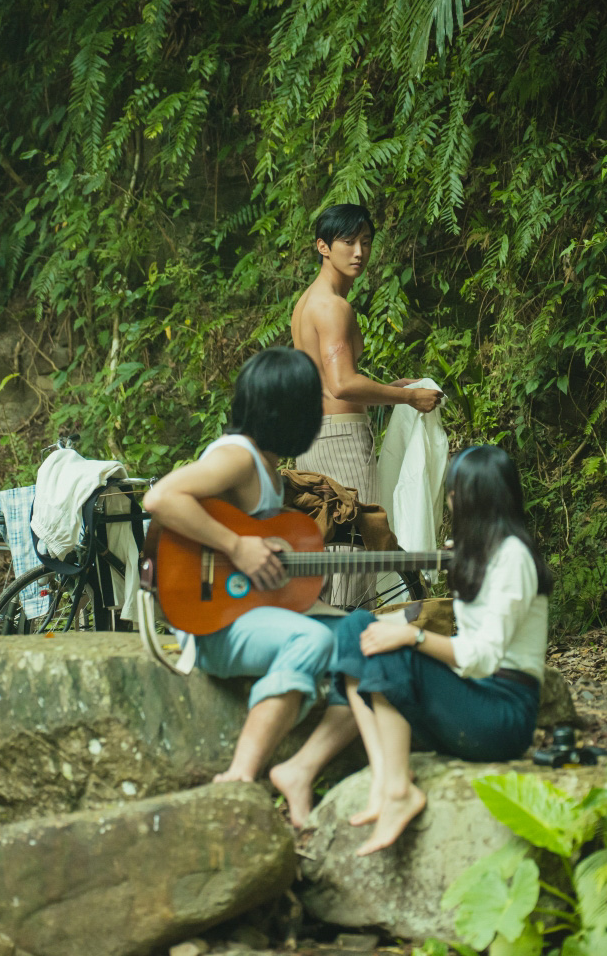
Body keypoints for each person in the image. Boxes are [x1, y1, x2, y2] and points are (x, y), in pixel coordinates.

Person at [142, 347, 371, 786]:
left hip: (246, 610)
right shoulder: (238, 457)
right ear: (288, 412)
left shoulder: (265, 462)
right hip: (210, 623)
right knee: (310, 642)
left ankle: (300, 770)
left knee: (365, 636)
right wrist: (237, 546)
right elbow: (160, 499)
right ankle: (241, 774)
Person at [330, 445, 553, 854]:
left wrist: (410, 636)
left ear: (477, 498)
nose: (449, 501)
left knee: (394, 647)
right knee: (355, 628)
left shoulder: (514, 558)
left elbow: (482, 656)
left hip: (500, 716)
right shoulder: (479, 552)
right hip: (466, 702)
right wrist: (390, 628)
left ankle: (399, 791)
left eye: (454, 493)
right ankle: (385, 775)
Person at [291, 203, 443, 607]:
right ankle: (352, 650)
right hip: (340, 439)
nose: (359, 251)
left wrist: (387, 389)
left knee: (330, 547)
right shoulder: (333, 307)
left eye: (366, 241)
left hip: (314, 436)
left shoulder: (309, 301)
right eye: (348, 242)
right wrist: (409, 397)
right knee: (358, 548)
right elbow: (341, 384)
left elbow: (328, 381)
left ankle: (329, 649)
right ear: (323, 246)